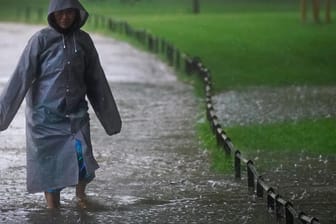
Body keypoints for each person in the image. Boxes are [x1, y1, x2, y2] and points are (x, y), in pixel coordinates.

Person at [0, 0, 122, 209]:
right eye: (60, 14)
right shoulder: (40, 40)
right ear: (52, 15)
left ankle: (81, 196)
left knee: (82, 159)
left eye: (69, 13)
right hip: (44, 119)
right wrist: (2, 116)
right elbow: (21, 76)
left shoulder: (84, 41)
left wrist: (111, 120)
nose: (64, 18)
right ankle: (53, 210)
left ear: (77, 14)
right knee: (50, 168)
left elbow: (96, 80)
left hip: (76, 115)